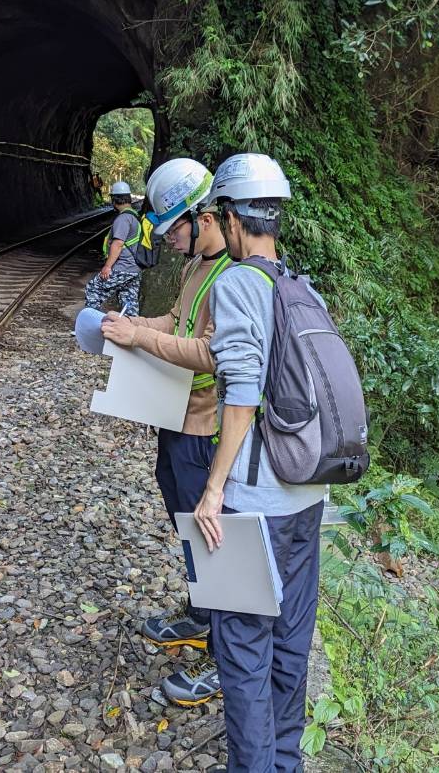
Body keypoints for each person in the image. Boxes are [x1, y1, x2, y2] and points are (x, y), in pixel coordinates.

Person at [195, 153, 327, 773]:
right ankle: (284, 763)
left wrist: (213, 490)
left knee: (243, 651)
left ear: (230, 218)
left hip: (253, 506)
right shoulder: (303, 288)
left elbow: (241, 394)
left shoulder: (235, 285)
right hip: (307, 497)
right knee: (290, 647)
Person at [99, 158, 229, 707]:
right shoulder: (194, 264)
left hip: (205, 426)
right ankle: (203, 615)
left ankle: (228, 656)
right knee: (183, 517)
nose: (168, 240)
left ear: (203, 217)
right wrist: (126, 330)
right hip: (176, 415)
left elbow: (210, 352)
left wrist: (142, 340)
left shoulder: (233, 275)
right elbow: (175, 322)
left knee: (212, 533)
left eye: (174, 228)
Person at [84, 181, 142, 317]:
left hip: (122, 267)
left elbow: (118, 244)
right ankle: (131, 332)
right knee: (129, 301)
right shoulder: (134, 216)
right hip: (134, 269)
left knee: (93, 289)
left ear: (114, 200)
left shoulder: (123, 219)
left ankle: (91, 324)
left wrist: (107, 266)